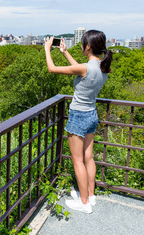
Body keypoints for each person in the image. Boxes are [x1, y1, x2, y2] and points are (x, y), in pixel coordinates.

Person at [44, 30, 112, 213]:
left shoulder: (86, 68)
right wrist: (65, 52)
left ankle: (84, 203)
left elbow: (52, 69)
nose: (81, 46)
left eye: (82, 43)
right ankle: (90, 195)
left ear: (88, 46)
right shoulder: (102, 67)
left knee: (77, 160)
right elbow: (81, 69)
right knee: (88, 158)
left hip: (78, 115)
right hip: (91, 114)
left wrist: (47, 49)